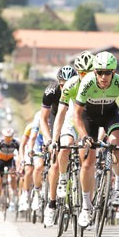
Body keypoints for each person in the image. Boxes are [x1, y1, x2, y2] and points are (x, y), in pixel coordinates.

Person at [73, 51, 119, 228]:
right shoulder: (87, 83)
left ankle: (118, 187)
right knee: (88, 163)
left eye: (108, 72)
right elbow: (77, 114)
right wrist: (84, 136)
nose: (103, 77)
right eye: (100, 72)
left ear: (114, 72)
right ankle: (86, 207)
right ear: (94, 72)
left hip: (110, 115)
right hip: (89, 117)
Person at [36, 65, 75, 227]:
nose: (65, 87)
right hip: (56, 120)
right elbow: (43, 120)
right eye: (62, 84)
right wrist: (48, 139)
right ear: (58, 82)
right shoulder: (51, 91)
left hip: (73, 120)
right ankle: (51, 204)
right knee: (55, 162)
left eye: (69, 83)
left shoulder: (81, 89)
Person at [52, 51, 94, 201]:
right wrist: (54, 140)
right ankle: (63, 178)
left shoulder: (99, 86)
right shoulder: (71, 84)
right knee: (65, 147)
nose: (85, 76)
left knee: (88, 163)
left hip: (88, 123)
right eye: (82, 73)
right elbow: (61, 113)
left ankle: (86, 201)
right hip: (71, 120)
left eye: (89, 72)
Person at [0, 127, 20, 211]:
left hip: (10, 161)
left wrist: (18, 168)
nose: (8, 139)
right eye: (6, 137)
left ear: (12, 136)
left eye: (10, 137)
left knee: (13, 176)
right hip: (0, 161)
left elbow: (20, 156)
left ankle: (14, 192)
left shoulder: (16, 143)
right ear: (3, 136)